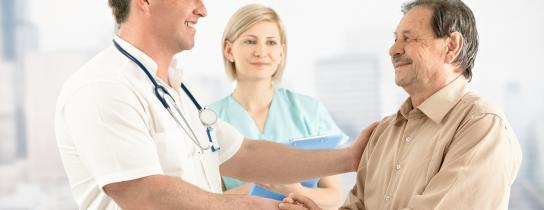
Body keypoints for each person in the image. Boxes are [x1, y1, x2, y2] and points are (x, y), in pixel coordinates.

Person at [54, 0, 377, 209]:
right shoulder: (106, 86)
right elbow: (146, 196)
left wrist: (348, 158)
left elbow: (246, 154)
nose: (203, 9)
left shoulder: (176, 93)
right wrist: (261, 207)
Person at [279, 0, 522, 209]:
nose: (393, 50)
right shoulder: (383, 132)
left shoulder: (482, 127)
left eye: (409, 38)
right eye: (396, 39)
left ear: (451, 46)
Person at [208, 4, 346, 209]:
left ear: (281, 52)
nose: (261, 51)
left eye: (271, 42)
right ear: (229, 50)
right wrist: (254, 188)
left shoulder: (309, 110)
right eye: (249, 41)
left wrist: (297, 193)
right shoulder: (209, 120)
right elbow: (204, 200)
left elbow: (334, 195)